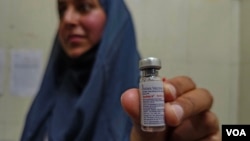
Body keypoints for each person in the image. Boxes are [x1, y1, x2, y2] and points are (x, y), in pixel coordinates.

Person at [21, 0, 221, 140]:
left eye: (84, 7)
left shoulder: (143, 99)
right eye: (62, 9)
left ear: (114, 21)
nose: (68, 19)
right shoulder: (51, 94)